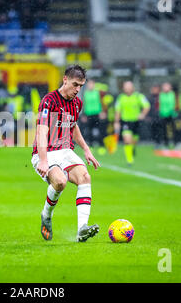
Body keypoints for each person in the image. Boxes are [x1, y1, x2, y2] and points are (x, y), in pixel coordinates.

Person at [31, 65, 100, 243]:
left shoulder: (77, 103)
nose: (77, 90)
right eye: (75, 84)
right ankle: (46, 215)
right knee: (60, 182)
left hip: (66, 150)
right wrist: (43, 160)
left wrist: (86, 149)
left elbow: (73, 126)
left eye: (81, 86)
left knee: (85, 177)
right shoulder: (49, 101)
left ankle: (82, 230)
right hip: (46, 152)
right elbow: (41, 131)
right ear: (65, 80)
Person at [114, 81, 150, 165]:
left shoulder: (138, 96)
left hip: (136, 122)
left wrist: (142, 114)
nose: (127, 89)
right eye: (126, 87)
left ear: (132, 87)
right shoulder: (121, 98)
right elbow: (118, 110)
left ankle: (133, 148)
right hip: (126, 122)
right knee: (127, 140)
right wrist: (116, 122)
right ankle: (129, 160)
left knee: (134, 141)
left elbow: (147, 106)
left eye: (129, 87)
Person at [80, 79, 107, 155]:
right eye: (89, 84)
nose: (90, 85)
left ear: (94, 85)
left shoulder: (98, 93)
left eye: (92, 84)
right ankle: (90, 146)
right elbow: (84, 105)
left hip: (97, 114)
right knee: (89, 131)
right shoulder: (85, 94)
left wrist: (103, 112)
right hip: (89, 114)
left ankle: (102, 146)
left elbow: (103, 103)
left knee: (100, 131)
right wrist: (83, 115)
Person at [159, 82, 178, 148]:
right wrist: (162, 113)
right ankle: (166, 144)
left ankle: (175, 143)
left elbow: (172, 104)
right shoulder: (161, 95)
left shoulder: (172, 94)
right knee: (164, 130)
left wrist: (171, 112)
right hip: (164, 115)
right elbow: (161, 105)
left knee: (173, 129)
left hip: (171, 114)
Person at [147, 84, 161, 149]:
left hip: (160, 116)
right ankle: (156, 143)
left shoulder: (160, 97)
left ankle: (160, 143)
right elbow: (148, 107)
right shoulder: (150, 98)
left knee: (160, 130)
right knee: (154, 131)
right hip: (153, 117)